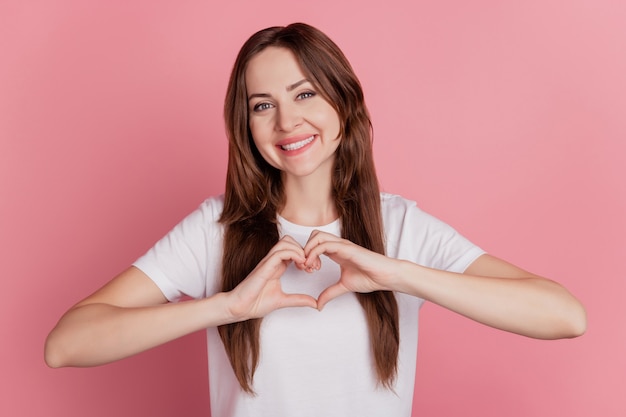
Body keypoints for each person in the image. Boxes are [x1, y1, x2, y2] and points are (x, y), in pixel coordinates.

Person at [44, 23, 586, 417]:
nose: (287, 121)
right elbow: (66, 344)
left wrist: (397, 274)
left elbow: (564, 316)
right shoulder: (217, 230)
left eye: (304, 93)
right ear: (247, 126)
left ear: (343, 105)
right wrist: (226, 307)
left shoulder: (400, 228)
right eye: (262, 105)